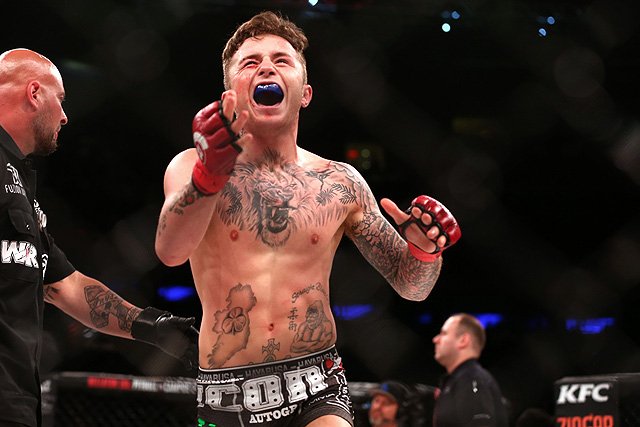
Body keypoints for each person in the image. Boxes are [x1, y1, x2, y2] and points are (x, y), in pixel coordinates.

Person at [154, 10, 461, 427]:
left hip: (317, 384)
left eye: (281, 60)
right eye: (250, 62)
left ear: (305, 93)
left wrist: (424, 252)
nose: (266, 67)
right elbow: (170, 251)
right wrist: (209, 176)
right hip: (227, 390)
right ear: (230, 95)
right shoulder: (191, 165)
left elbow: (412, 287)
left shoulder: (339, 183)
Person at [0, 48, 199, 427]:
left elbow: (65, 285)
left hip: (15, 398)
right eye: (60, 99)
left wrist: (150, 325)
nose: (64, 115)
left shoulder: (17, 183)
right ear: (34, 93)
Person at [432, 313, 508, 427]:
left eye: (444, 333)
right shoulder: (460, 380)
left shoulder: (471, 378)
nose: (435, 339)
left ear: (463, 340)